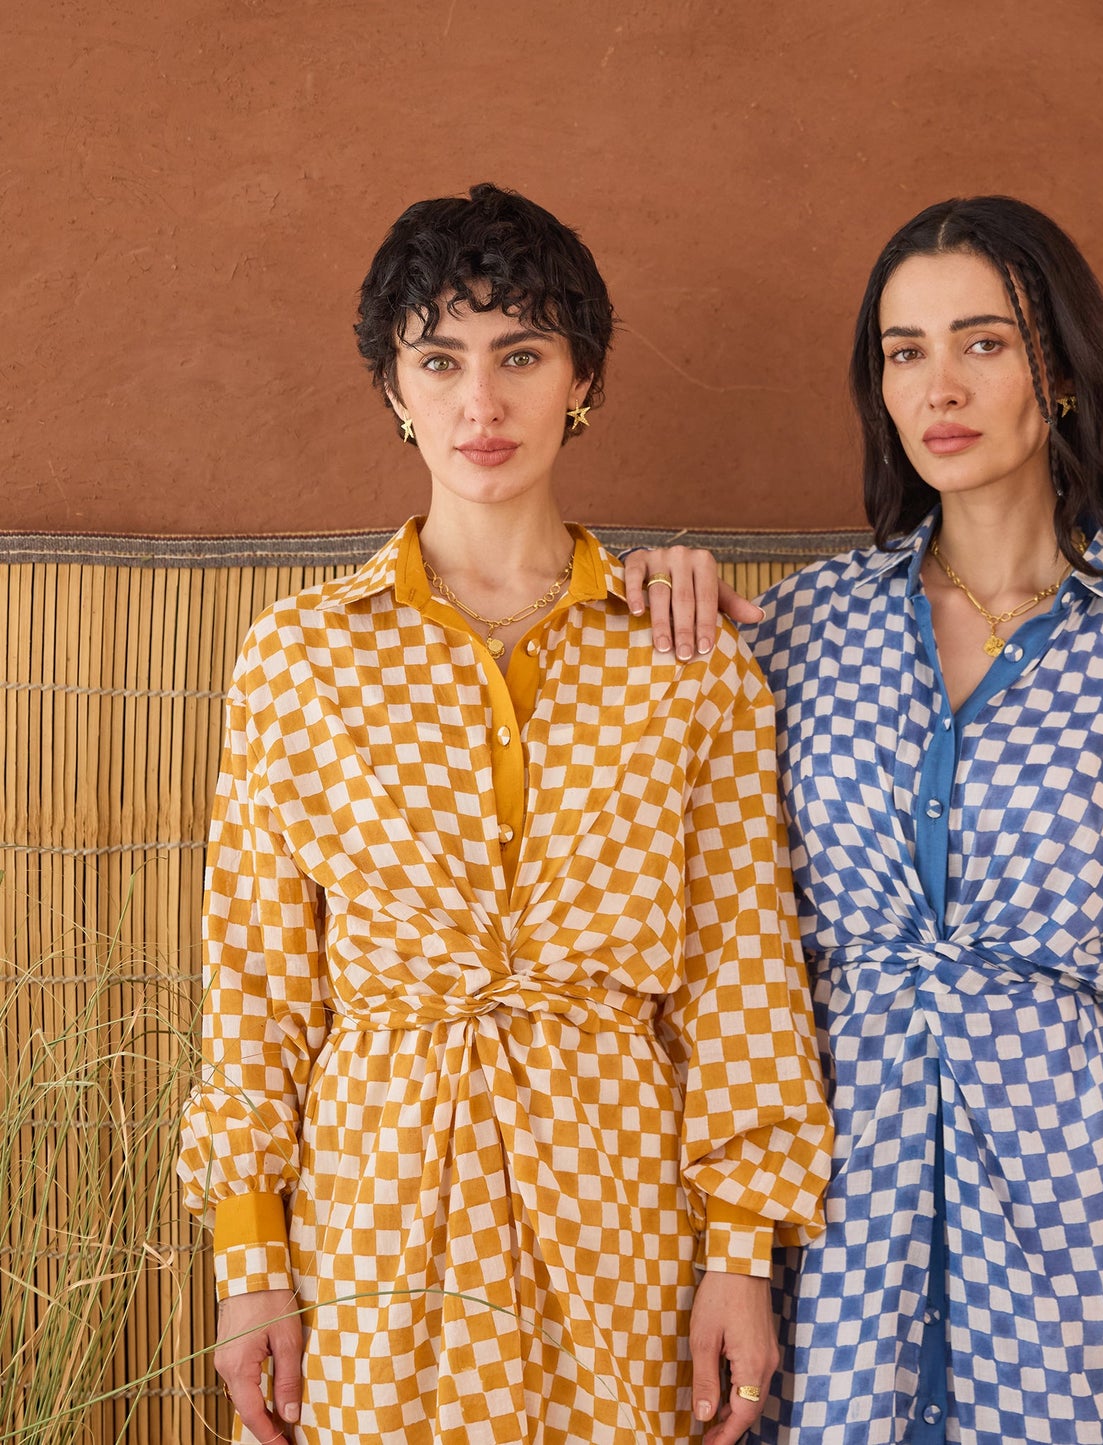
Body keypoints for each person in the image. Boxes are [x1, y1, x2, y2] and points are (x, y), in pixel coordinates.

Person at [623, 196, 1103, 1445]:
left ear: (1060, 369)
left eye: (981, 342)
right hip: (839, 1244)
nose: (938, 385)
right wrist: (655, 590)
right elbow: (718, 934)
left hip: (1090, 1254)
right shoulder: (800, 630)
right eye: (904, 351)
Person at [176, 182, 833, 1445]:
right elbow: (257, 980)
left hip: (620, 1208)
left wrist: (738, 1253)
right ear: (393, 388)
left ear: (581, 379)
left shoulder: (684, 659)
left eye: (520, 355)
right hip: (370, 1207)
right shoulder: (298, 658)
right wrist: (250, 1262)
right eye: (440, 360)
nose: (480, 404)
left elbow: (741, 970)